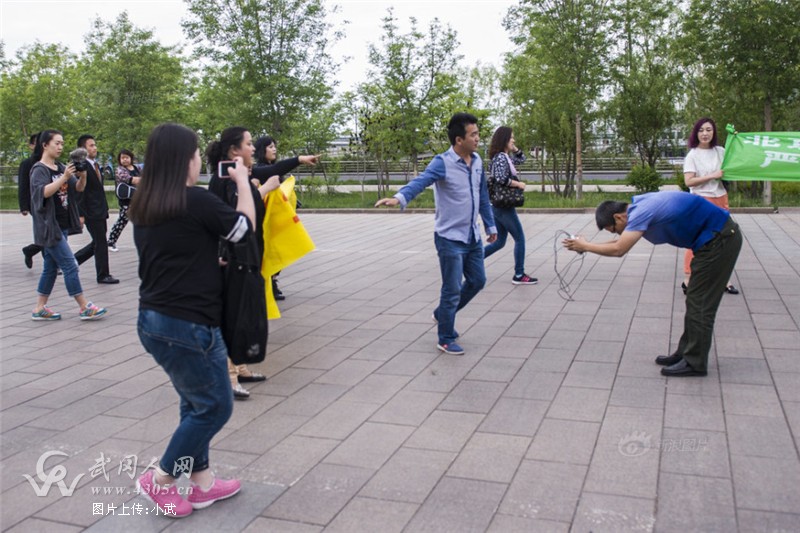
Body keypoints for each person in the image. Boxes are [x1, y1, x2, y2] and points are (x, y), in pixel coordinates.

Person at [130, 123, 255, 517]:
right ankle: (161, 478)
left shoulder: (146, 204)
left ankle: (200, 481)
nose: (200, 159)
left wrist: (206, 260)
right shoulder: (195, 200)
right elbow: (244, 230)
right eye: (197, 152)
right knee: (215, 406)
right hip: (189, 324)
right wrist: (244, 183)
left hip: (153, 320)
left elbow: (175, 253)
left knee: (194, 401)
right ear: (185, 159)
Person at [564, 191, 742, 377]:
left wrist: (585, 247)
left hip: (720, 241)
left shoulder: (642, 212)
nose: (618, 233)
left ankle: (694, 362)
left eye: (615, 229)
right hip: (713, 241)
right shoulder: (637, 208)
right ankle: (686, 353)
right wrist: (587, 245)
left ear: (618, 216)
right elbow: (622, 241)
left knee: (701, 303)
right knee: (695, 301)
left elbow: (619, 249)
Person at [375, 112, 497, 356]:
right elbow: (421, 181)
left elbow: (482, 196)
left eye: (478, 134)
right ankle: (445, 337)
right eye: (473, 135)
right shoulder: (442, 162)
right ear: (458, 140)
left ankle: (442, 314)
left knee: (477, 281)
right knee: (451, 289)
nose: (478, 139)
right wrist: (399, 197)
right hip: (449, 238)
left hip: (471, 237)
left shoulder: (478, 162)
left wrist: (490, 225)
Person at [208, 127, 281, 400]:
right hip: (231, 257)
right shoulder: (227, 181)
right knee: (232, 316)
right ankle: (229, 376)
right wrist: (264, 190)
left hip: (246, 255)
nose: (253, 149)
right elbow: (239, 220)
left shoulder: (238, 179)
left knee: (243, 314)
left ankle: (240, 366)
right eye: (249, 144)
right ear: (233, 151)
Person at [29, 130, 107, 321]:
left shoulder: (61, 167)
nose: (60, 147)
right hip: (49, 227)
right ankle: (83, 306)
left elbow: (78, 188)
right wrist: (63, 178)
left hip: (62, 225)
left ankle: (39, 308)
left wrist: (83, 176)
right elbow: (42, 193)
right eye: (57, 143)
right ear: (45, 145)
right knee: (70, 265)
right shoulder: (40, 169)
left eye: (62, 144)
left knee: (50, 268)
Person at [252, 135, 319, 300]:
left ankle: (272, 283)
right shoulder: (259, 170)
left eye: (274, 146)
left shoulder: (270, 168)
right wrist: (300, 159)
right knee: (269, 252)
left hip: (276, 219)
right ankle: (267, 285)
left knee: (276, 251)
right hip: (264, 220)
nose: (274, 149)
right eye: (270, 147)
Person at [682, 117, 738, 295]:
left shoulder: (720, 151)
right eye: (701, 130)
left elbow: (734, 164)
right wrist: (712, 175)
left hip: (720, 198)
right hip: (701, 201)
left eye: (708, 129)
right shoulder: (693, 155)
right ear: (696, 133)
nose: (705, 133)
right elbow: (689, 181)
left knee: (724, 240)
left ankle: (724, 279)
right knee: (698, 240)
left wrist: (737, 141)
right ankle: (688, 279)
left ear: (714, 132)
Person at [483, 126, 537, 285]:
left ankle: (471, 260)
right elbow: (501, 179)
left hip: (499, 205)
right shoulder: (501, 158)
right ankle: (519, 275)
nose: (514, 140)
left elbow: (522, 159)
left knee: (499, 242)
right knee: (520, 238)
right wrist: (518, 184)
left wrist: (515, 149)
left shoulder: (504, 157)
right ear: (504, 139)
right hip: (503, 206)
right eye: (511, 138)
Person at [73, 135, 119, 284]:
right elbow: (80, 192)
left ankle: (71, 262)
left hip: (99, 209)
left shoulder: (95, 165)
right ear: (83, 149)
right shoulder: (82, 166)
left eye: (95, 145)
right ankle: (103, 274)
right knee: (100, 242)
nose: (95, 148)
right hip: (90, 211)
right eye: (91, 145)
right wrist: (80, 214)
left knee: (97, 242)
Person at [107, 149, 140, 252]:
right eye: (122, 158)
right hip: (126, 200)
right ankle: (111, 242)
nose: (125, 160)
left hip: (138, 199)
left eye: (127, 157)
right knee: (122, 221)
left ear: (131, 158)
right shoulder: (120, 170)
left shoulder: (137, 168)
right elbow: (132, 180)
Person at [19, 132, 44, 268]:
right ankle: (51, 264)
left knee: (52, 233)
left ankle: (30, 250)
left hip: (52, 203)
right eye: (37, 143)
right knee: (47, 232)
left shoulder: (49, 161)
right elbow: (23, 185)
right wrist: (24, 206)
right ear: (31, 146)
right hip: (35, 204)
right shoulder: (27, 164)